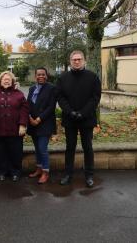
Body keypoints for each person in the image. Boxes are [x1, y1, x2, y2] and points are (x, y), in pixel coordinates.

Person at [57, 50, 101, 188]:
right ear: (70, 61)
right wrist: (70, 112)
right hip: (70, 118)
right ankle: (68, 174)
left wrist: (83, 112)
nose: (76, 61)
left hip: (86, 118)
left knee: (88, 147)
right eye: (74, 59)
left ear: (84, 61)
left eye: (79, 59)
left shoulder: (93, 77)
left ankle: (89, 175)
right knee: (70, 148)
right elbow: (60, 97)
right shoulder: (63, 78)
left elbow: (95, 98)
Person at [0, 71, 28, 182]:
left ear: (12, 81)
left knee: (15, 152)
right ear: (0, 81)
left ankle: (15, 172)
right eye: (4, 79)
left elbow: (25, 110)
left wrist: (22, 124)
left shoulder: (19, 94)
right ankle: (1, 172)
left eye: (8, 79)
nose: (6, 80)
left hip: (15, 129)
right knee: (0, 152)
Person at [27, 67, 56, 184]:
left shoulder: (52, 88)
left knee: (42, 148)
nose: (41, 76)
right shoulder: (31, 88)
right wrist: (29, 118)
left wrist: (38, 119)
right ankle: (39, 169)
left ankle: (45, 171)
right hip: (33, 123)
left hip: (45, 123)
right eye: (38, 74)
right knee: (37, 149)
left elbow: (51, 107)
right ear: (35, 76)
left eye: (43, 74)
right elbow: (28, 104)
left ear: (46, 75)